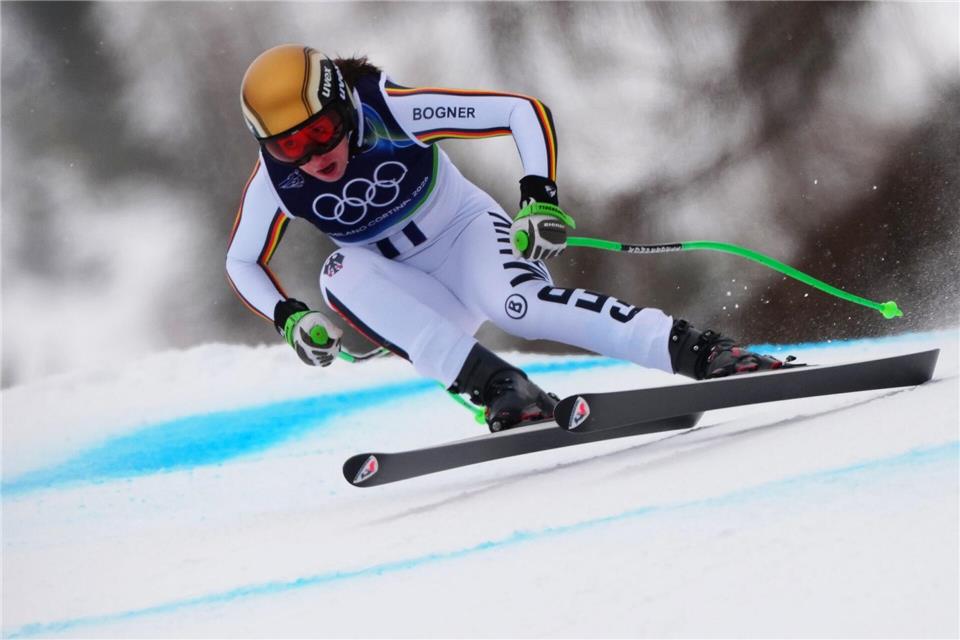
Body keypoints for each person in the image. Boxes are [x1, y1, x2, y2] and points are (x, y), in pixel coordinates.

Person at [226, 44, 782, 432]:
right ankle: (504, 390)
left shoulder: (390, 108)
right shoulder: (276, 183)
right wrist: (289, 317)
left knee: (519, 306)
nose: (313, 157)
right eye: (287, 147)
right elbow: (242, 261)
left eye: (320, 132)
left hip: (464, 236)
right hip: (413, 289)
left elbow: (522, 111)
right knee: (337, 274)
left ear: (342, 105)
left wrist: (538, 197)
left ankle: (699, 351)